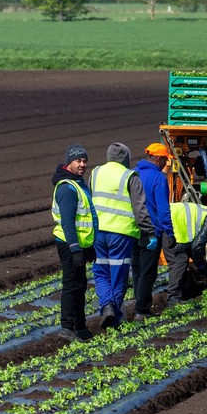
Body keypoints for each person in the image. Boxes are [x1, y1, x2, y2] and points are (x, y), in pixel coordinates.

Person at [88, 143, 155, 327]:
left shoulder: (95, 173)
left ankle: (107, 305)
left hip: (98, 232)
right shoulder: (130, 176)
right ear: (126, 158)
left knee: (101, 273)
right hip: (121, 234)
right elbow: (140, 209)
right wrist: (149, 232)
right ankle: (115, 316)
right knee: (119, 275)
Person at [51, 144, 98, 341]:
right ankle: (67, 327)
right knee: (72, 285)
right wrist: (75, 249)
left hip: (80, 244)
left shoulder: (77, 183)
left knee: (80, 285)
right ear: (69, 162)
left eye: (84, 160)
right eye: (78, 160)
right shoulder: (67, 188)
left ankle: (80, 327)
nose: (82, 164)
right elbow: (68, 222)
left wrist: (89, 247)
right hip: (69, 243)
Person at [132, 142, 173, 320]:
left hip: (133, 230)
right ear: (158, 159)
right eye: (165, 160)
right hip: (152, 232)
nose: (166, 164)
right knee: (148, 272)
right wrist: (169, 232)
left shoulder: (134, 173)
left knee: (137, 270)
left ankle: (139, 305)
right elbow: (163, 210)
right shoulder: (158, 178)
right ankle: (141, 310)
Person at [166, 197, 207, 305]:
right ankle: (172, 299)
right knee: (180, 261)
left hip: (167, 220)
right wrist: (201, 266)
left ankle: (181, 294)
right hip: (170, 224)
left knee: (179, 262)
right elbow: (197, 246)